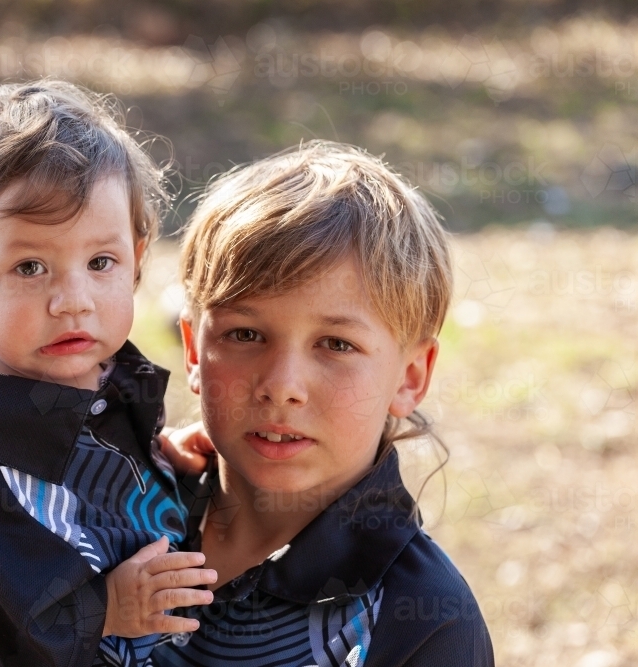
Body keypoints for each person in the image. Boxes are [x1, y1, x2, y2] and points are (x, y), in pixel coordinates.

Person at [0, 80, 217, 667]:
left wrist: (153, 467)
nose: (72, 299)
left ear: (136, 256)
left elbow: (93, 485)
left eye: (100, 262)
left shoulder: (94, 379)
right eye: (31, 267)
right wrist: (105, 607)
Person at [152, 141, 495, 666]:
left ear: (409, 376)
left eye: (336, 345)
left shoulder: (424, 619)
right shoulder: (117, 512)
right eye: (246, 334)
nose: (282, 385)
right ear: (195, 350)